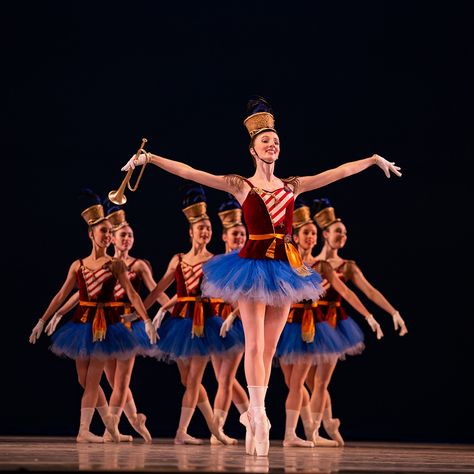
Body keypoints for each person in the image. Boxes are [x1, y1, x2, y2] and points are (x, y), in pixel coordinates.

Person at [120, 96, 402, 456]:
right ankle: (257, 413)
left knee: (268, 350)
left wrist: (373, 160)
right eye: (266, 141)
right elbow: (191, 172)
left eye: (277, 141)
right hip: (251, 267)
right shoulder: (240, 186)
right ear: (252, 149)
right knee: (253, 344)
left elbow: (337, 172)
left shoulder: (292, 186)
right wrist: (150, 158)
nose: (273, 145)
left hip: (285, 269)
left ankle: (257, 414)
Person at [28, 193, 157, 443]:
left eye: (110, 231)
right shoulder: (78, 265)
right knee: (83, 379)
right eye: (103, 231)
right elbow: (62, 294)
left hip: (106, 325)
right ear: (91, 234)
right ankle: (108, 422)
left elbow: (132, 293)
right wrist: (44, 319)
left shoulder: (115, 265)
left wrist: (147, 320)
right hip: (81, 323)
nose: (108, 236)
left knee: (94, 378)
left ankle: (84, 430)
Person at [276, 197, 384, 448]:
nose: (311, 238)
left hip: (308, 327)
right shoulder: (287, 263)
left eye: (314, 233)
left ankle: (293, 435)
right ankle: (308, 432)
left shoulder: (321, 265)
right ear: (296, 236)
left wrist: (368, 316)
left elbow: (347, 293)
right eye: (307, 233)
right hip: (286, 324)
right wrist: (237, 315)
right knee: (292, 384)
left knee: (300, 383)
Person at [144, 184, 243, 445]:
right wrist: (148, 312)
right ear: (190, 232)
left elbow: (227, 292)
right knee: (187, 379)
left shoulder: (215, 260)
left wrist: (234, 313)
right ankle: (215, 430)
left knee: (196, 379)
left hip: (204, 322)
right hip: (180, 323)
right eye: (201, 227)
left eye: (209, 228)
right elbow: (161, 288)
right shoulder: (178, 259)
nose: (206, 231)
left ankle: (183, 432)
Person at [303, 197, 408, 444]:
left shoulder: (347, 266)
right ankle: (329, 422)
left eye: (346, 233)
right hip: (307, 323)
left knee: (320, 382)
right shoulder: (310, 263)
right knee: (306, 382)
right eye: (338, 231)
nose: (343, 236)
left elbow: (369, 291)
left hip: (332, 324)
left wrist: (392, 312)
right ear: (325, 234)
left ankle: (314, 431)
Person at [209, 194, 250, 445]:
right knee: (223, 380)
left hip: (237, 324)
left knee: (225, 379)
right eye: (235, 234)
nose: (239, 238)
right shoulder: (214, 262)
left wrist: (233, 315)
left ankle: (218, 431)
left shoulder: (247, 262)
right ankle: (251, 418)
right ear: (224, 236)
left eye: (243, 234)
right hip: (216, 323)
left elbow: (250, 296)